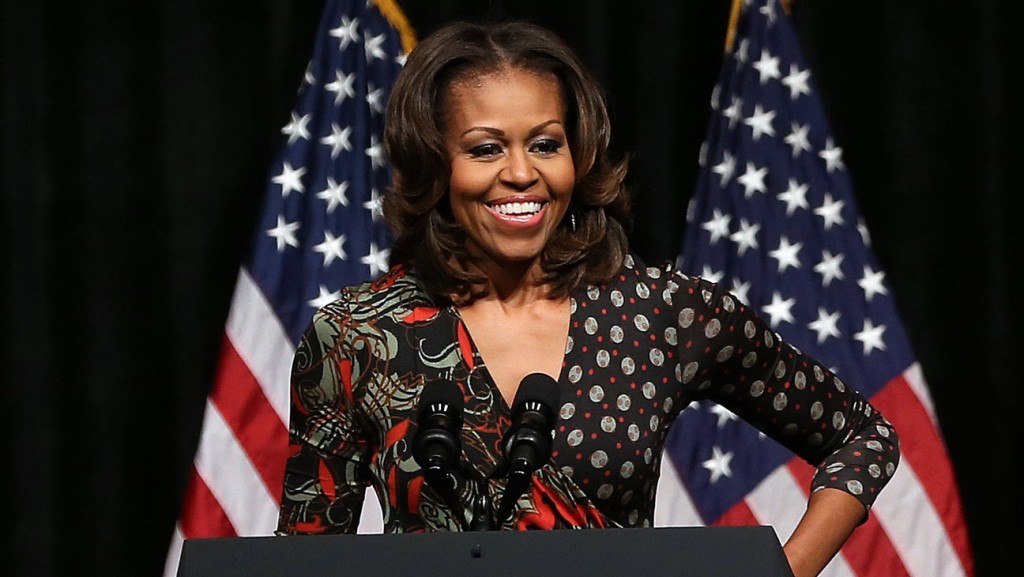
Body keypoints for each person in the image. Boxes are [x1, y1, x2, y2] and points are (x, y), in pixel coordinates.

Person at [275, 19, 900, 577]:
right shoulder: (357, 334)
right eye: (486, 148)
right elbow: (305, 556)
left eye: (545, 144)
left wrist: (782, 573)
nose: (521, 173)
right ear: (435, 165)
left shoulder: (661, 315)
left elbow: (863, 437)